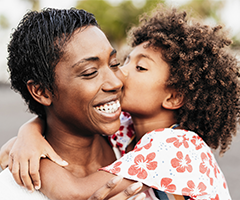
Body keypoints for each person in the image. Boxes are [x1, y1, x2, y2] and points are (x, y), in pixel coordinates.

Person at [1, 5, 239, 200]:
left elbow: (74, 192)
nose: (118, 76)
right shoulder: (127, 129)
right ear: (40, 91)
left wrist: (32, 162)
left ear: (174, 97)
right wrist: (27, 135)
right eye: (121, 62)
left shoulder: (177, 146)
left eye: (140, 68)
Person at [0, 7, 146, 200]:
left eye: (114, 64)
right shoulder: (12, 191)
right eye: (90, 72)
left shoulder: (134, 142)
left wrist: (28, 131)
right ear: (41, 91)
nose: (116, 82)